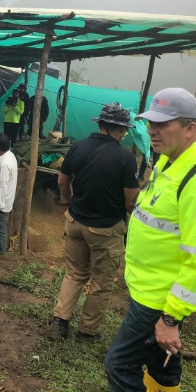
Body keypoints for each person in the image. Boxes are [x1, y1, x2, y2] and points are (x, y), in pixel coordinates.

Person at [104, 88, 196, 392]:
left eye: (163, 124)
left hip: (160, 298)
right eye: (151, 123)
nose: (152, 130)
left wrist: (171, 317)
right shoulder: (170, 160)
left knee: (119, 364)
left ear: (191, 128)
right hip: (147, 285)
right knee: (161, 360)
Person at [47, 103, 140, 342]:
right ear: (119, 129)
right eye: (124, 130)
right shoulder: (125, 158)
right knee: (101, 282)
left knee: (75, 273)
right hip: (105, 229)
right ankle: (87, 332)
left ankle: (60, 321)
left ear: (100, 124)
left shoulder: (77, 147)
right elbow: (131, 200)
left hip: (75, 222)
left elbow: (61, 181)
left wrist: (68, 202)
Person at [0, 133, 17, 255]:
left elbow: (1, 187)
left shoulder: (4, 164)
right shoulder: (10, 156)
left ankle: (1, 253)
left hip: (1, 203)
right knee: (1, 227)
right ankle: (0, 249)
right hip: (6, 200)